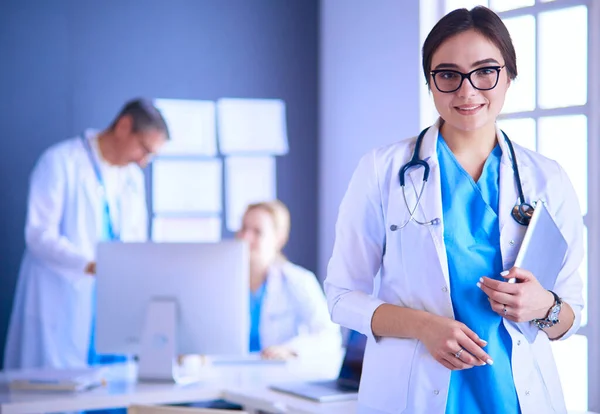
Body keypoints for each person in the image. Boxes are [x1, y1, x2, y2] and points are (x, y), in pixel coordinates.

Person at [325, 6, 584, 414]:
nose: (467, 92)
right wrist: (423, 326)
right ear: (430, 81)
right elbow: (340, 296)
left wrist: (544, 307)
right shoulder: (382, 170)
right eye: (447, 75)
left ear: (509, 75)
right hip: (415, 392)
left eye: (485, 71)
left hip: (516, 396)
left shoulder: (547, 179)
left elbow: (570, 317)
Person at [4, 98, 169, 369]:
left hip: (112, 302)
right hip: (62, 298)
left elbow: (136, 238)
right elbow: (38, 234)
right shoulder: (60, 162)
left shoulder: (132, 178)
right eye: (144, 149)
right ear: (124, 126)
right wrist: (89, 265)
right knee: (58, 395)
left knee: (113, 390)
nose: (143, 162)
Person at [237, 200, 341, 360]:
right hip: (228, 371)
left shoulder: (298, 280)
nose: (246, 237)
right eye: (244, 228)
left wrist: (290, 350)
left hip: (278, 374)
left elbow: (329, 336)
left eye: (257, 232)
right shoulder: (223, 283)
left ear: (279, 239)